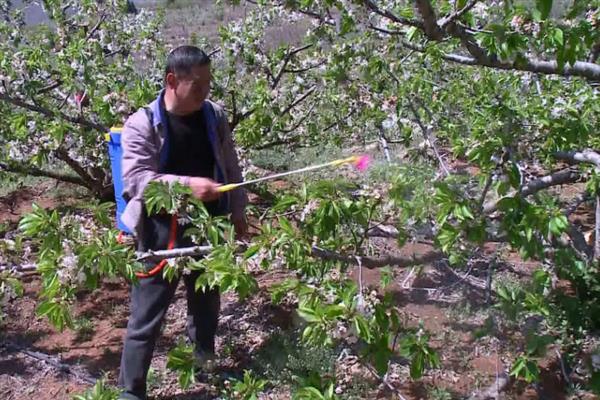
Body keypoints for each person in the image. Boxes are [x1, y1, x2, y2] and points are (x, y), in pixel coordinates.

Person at [117, 45, 247, 400]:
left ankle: (203, 365)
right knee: (147, 313)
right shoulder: (142, 123)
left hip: (211, 223)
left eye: (209, 83)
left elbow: (230, 165)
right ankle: (131, 391)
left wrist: (237, 210)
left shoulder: (214, 116)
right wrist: (188, 186)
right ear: (172, 81)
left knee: (206, 299)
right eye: (198, 85)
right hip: (162, 228)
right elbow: (137, 180)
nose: (206, 92)